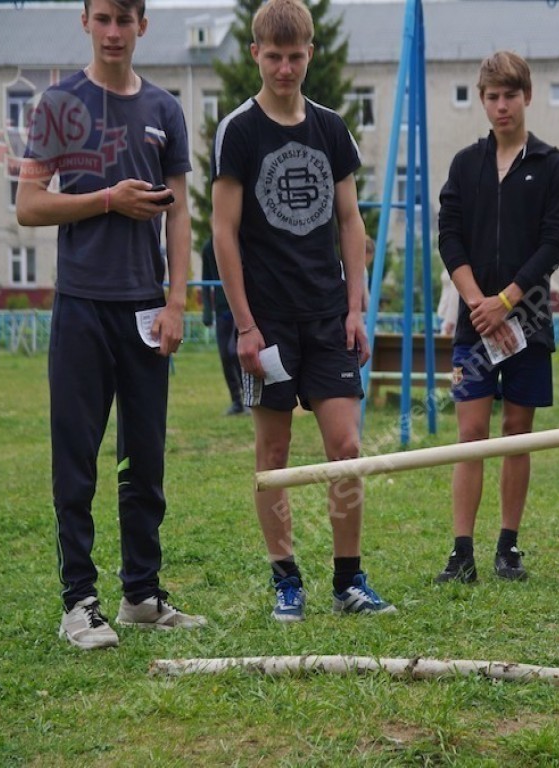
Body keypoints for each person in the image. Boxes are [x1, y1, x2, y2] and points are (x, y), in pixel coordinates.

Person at [15, 0, 206, 650]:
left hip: (146, 308)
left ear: (143, 25)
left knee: (144, 458)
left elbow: (178, 214)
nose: (114, 32)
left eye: (126, 19)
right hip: (81, 306)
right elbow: (28, 205)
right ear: (86, 22)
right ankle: (79, 603)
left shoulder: (164, 110)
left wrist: (177, 300)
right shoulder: (58, 105)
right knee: (76, 458)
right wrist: (106, 200)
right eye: (103, 18)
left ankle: (141, 596)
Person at [211, 0, 394, 621]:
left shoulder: (331, 129)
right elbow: (223, 233)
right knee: (274, 455)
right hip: (266, 323)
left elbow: (350, 220)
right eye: (274, 57)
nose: (285, 68)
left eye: (295, 57)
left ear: (310, 54)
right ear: (255, 55)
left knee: (347, 447)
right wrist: (244, 324)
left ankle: (349, 580)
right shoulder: (239, 131)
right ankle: (286, 581)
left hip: (326, 316)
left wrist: (355, 307)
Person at [435, 50, 559, 583]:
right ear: (482, 100)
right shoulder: (465, 165)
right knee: (471, 433)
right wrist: (478, 302)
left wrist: (508, 300)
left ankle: (508, 547)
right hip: (475, 324)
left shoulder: (551, 165)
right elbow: (449, 235)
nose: (501, 106)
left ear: (527, 96)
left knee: (517, 431)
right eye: (492, 97)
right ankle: (461, 553)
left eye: (510, 96)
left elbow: (555, 242)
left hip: (527, 323)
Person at [201, 237, 246, 416]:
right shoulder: (208, 248)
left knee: (234, 351)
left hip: (240, 308)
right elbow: (205, 281)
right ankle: (236, 401)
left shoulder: (239, 243)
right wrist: (207, 311)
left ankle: (249, 397)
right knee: (225, 356)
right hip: (222, 311)